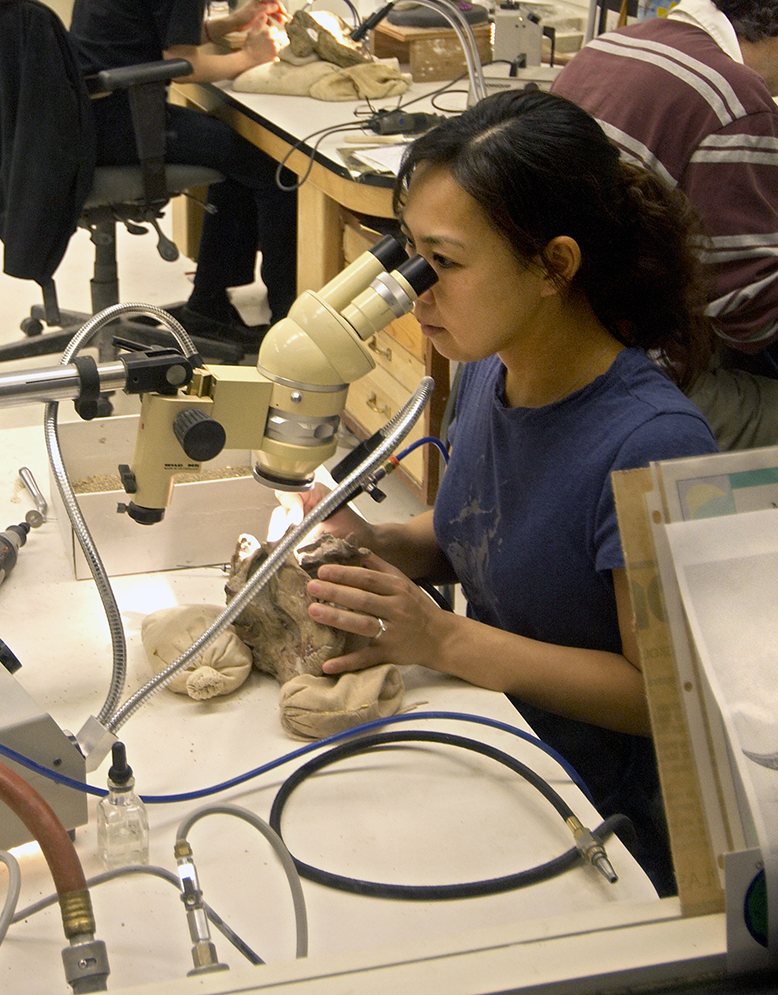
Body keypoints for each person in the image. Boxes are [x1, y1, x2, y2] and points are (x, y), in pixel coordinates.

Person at [301, 90, 718, 894]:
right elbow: (480, 528)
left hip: (599, 815)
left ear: (554, 266)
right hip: (492, 736)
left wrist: (444, 639)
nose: (413, 291)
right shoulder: (489, 370)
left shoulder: (650, 445)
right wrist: (378, 546)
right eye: (408, 255)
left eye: (444, 263)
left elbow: (661, 697)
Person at [551, 0, 778, 450]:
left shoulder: (610, 48)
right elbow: (755, 320)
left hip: (552, 355)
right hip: (626, 390)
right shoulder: (739, 102)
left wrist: (749, 200)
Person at [68, 0, 291, 349]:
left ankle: (209, 301)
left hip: (90, 110)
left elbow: (154, 34)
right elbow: (182, 63)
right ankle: (285, 322)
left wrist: (233, 23)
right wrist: (248, 57)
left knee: (241, 156)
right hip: (121, 121)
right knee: (278, 169)